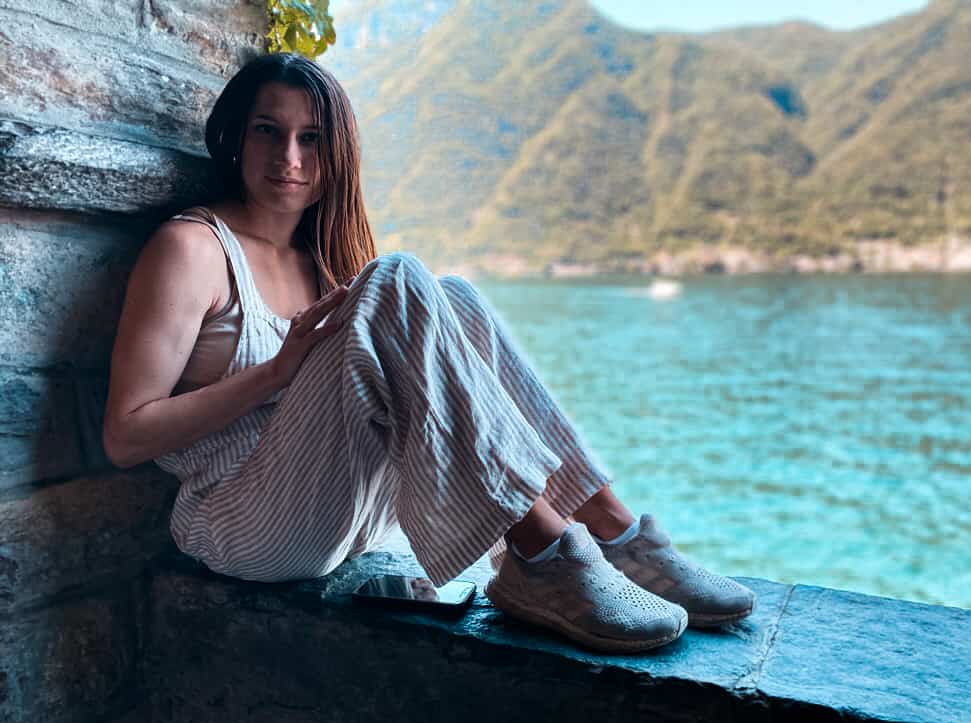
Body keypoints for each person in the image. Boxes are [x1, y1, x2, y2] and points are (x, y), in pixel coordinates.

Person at [102, 52, 756, 655]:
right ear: (235, 137)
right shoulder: (193, 249)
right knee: (398, 278)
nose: (289, 158)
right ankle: (539, 555)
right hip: (240, 523)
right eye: (267, 131)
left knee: (456, 298)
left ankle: (617, 538)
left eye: (313, 138)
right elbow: (126, 436)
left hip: (344, 515)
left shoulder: (324, 260)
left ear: (338, 154)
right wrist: (277, 372)